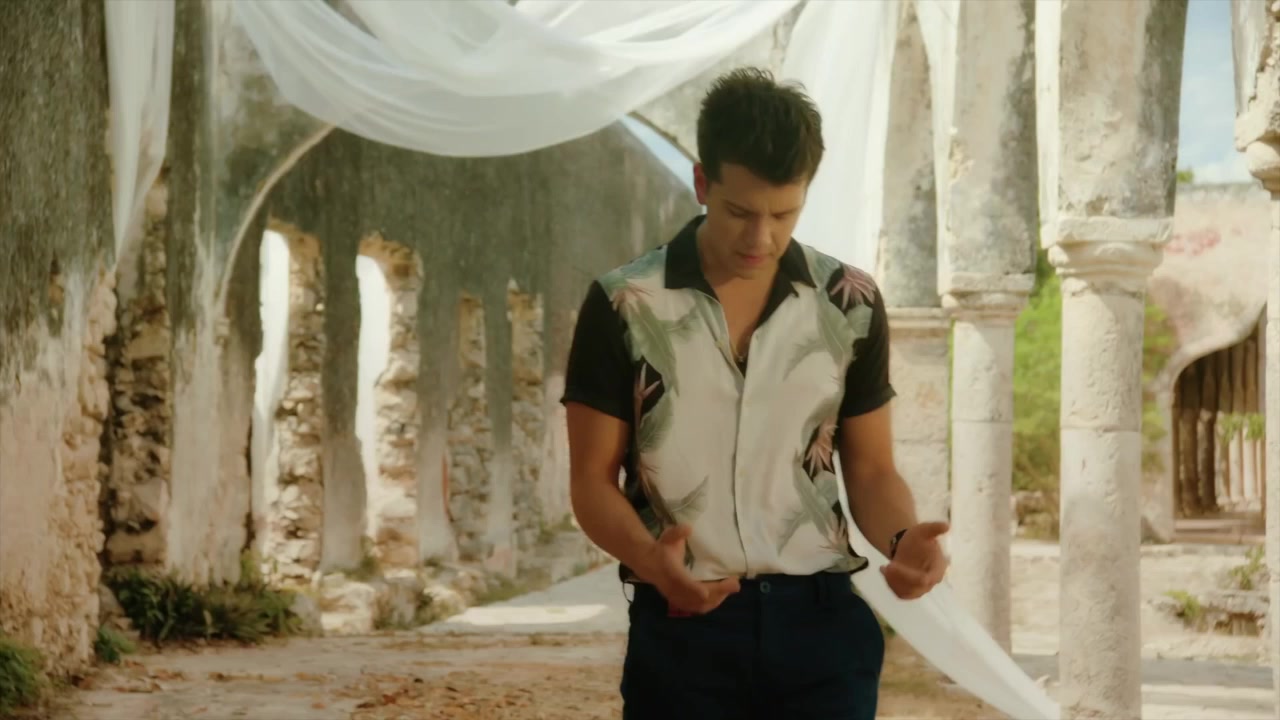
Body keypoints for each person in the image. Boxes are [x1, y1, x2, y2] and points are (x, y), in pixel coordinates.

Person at [560, 67, 949, 720]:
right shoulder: (622, 305)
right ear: (702, 183)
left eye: (784, 214)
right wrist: (653, 563)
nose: (760, 238)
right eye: (740, 212)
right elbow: (590, 482)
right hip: (684, 634)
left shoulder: (849, 302)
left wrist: (902, 539)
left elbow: (871, 471)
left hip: (823, 633)